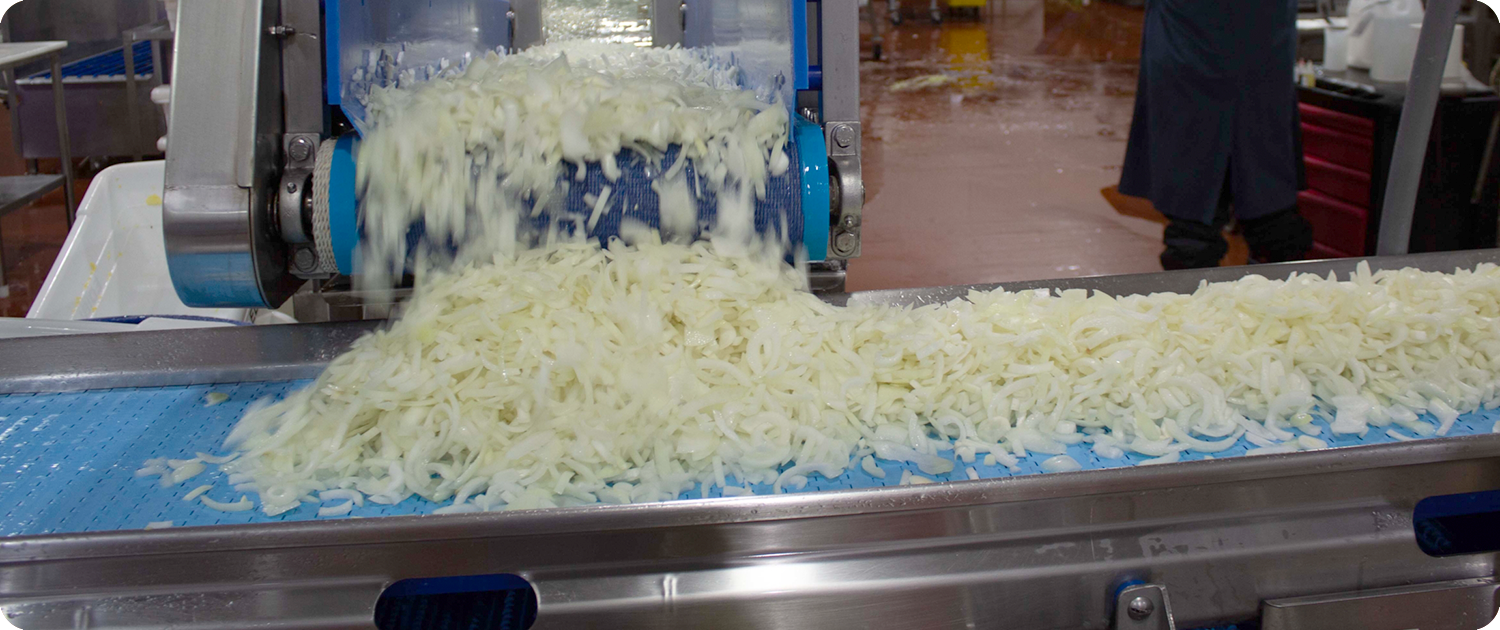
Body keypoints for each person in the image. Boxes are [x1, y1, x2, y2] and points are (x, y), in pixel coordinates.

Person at [1118, 0, 1315, 270]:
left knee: (1260, 207)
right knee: (1252, 201)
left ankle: (1265, 284)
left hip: (1232, 47)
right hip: (1207, 46)